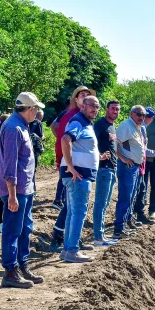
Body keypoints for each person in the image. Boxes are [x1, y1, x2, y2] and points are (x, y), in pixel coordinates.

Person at [0, 92, 45, 288]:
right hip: (16, 190)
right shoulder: (14, 128)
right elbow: (10, 165)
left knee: (25, 228)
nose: (38, 112)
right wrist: (12, 195)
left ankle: (22, 266)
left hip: (26, 188)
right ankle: (10, 271)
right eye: (37, 109)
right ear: (30, 109)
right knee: (12, 230)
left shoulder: (22, 126)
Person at [50, 86, 96, 251]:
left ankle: (71, 241)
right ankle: (63, 241)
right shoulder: (73, 117)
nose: (85, 98)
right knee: (73, 208)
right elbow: (63, 139)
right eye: (82, 95)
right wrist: (62, 161)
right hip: (74, 170)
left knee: (72, 207)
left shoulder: (84, 119)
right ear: (76, 100)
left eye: (88, 96)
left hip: (77, 169)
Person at [60, 96, 101, 263]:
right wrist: (70, 166)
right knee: (79, 212)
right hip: (78, 176)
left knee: (73, 212)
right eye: (91, 105)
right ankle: (72, 250)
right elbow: (65, 139)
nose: (95, 109)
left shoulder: (85, 123)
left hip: (79, 175)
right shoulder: (78, 121)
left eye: (97, 106)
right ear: (82, 106)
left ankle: (67, 249)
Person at [113, 105, 146, 239]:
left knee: (131, 197)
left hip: (135, 167)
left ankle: (124, 225)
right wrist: (122, 157)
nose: (141, 117)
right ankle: (118, 228)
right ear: (131, 114)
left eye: (143, 115)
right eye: (139, 114)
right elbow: (114, 142)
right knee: (125, 197)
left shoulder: (137, 127)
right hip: (127, 167)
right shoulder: (126, 125)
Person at [92, 100, 120, 246]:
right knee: (101, 203)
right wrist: (98, 156)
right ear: (107, 110)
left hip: (112, 169)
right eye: (113, 109)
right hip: (103, 169)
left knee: (106, 203)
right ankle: (98, 237)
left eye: (117, 109)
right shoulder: (100, 125)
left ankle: (100, 235)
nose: (115, 111)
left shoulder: (112, 126)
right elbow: (91, 142)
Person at [133, 107, 155, 226]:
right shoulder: (140, 129)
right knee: (140, 188)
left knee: (141, 187)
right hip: (137, 164)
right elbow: (142, 150)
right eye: (151, 117)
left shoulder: (142, 129)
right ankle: (137, 214)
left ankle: (137, 213)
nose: (151, 120)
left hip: (141, 163)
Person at [29, 110, 45, 191]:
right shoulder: (38, 123)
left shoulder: (25, 120)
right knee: (33, 170)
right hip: (34, 151)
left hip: (25, 149)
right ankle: (32, 189)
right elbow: (41, 137)